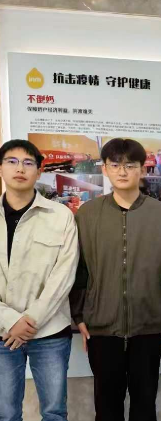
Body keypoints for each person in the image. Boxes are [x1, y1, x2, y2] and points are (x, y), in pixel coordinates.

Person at [70, 138, 161, 421]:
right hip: (101, 327)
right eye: (115, 164)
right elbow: (78, 267)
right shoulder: (87, 214)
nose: (122, 171)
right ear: (104, 169)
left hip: (149, 327)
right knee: (107, 407)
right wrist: (79, 315)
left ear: (142, 169)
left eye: (130, 165)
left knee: (145, 405)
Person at [0, 139, 79, 421]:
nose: (20, 169)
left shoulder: (60, 216)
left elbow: (64, 275)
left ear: (39, 170)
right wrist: (11, 320)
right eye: (12, 161)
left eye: (28, 163)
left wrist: (30, 319)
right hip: (2, 331)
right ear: (1, 168)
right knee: (6, 414)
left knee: (54, 413)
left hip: (49, 332)